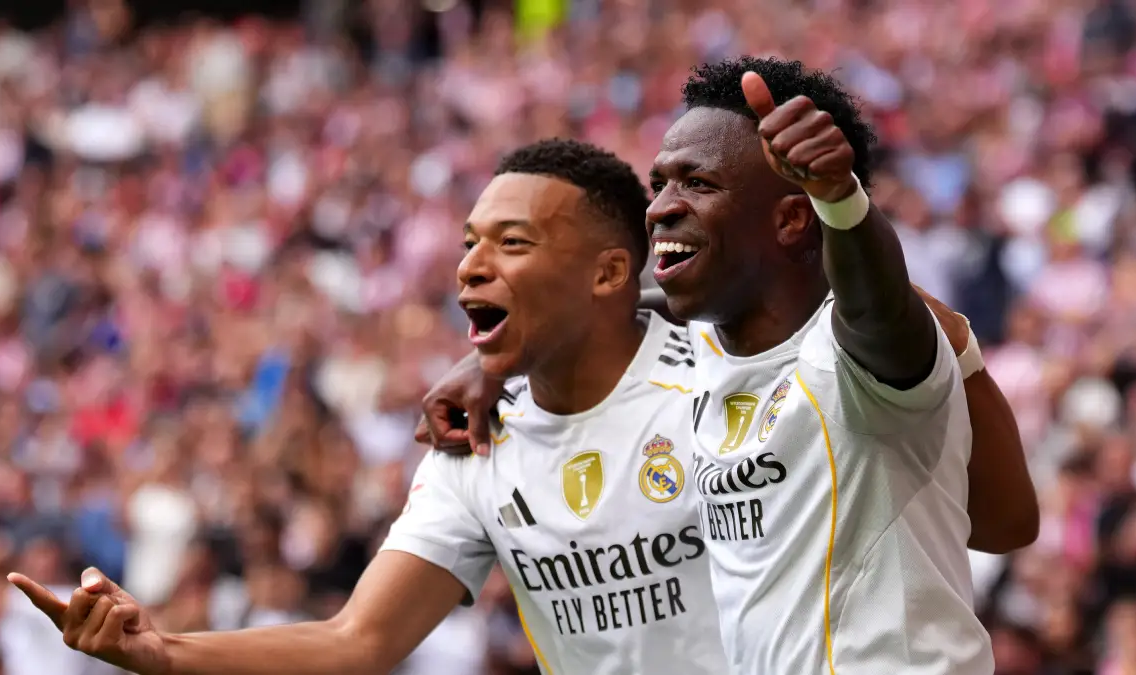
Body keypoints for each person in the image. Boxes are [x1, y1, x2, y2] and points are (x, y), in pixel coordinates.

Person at [5, 139, 730, 675]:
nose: (472, 264)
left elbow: (822, 301)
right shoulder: (474, 441)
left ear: (609, 271)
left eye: (514, 243)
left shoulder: (728, 374)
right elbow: (358, 639)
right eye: (470, 242)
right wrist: (162, 650)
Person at [421, 57, 1030, 674]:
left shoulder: (857, 352)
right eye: (659, 182)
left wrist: (841, 201)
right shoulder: (709, 340)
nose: (659, 207)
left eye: (697, 183)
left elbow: (876, 306)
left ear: (793, 218)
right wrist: (503, 355)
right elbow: (622, 302)